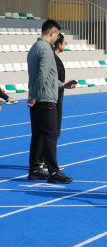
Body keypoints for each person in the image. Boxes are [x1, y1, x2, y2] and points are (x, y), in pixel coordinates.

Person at [26, 19, 72, 184]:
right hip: (44, 99)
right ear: (52, 33)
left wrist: (62, 84)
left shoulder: (34, 48)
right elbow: (43, 75)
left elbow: (48, 76)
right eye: (57, 34)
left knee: (38, 135)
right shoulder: (46, 50)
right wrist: (35, 96)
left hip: (38, 97)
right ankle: (53, 172)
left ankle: (35, 169)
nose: (58, 38)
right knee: (50, 136)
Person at [53, 33, 77, 139]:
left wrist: (64, 84)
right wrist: (62, 84)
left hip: (56, 97)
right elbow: (51, 80)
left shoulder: (54, 59)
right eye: (64, 42)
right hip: (53, 100)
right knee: (53, 132)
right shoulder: (53, 60)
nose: (66, 44)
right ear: (58, 45)